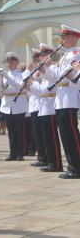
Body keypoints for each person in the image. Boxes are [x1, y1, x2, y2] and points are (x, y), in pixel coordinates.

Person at [41, 25, 80, 179]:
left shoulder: (75, 54)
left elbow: (71, 76)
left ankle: (77, 168)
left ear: (72, 38)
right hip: (62, 98)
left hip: (69, 97)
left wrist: (52, 66)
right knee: (65, 135)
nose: (61, 41)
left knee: (71, 134)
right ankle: (72, 166)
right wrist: (47, 67)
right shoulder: (66, 55)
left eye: (63, 38)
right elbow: (58, 75)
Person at [29, 44, 63, 172]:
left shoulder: (54, 69)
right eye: (40, 56)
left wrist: (32, 82)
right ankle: (51, 162)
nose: (40, 58)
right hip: (44, 107)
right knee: (47, 137)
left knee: (52, 137)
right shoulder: (46, 71)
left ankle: (56, 164)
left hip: (50, 106)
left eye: (42, 56)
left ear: (49, 56)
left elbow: (45, 89)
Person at [0, 52, 28, 161]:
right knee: (11, 132)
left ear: (16, 62)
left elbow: (20, 86)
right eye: (8, 61)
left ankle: (20, 153)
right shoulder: (4, 75)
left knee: (20, 131)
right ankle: (12, 153)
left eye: (11, 61)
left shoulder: (21, 74)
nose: (9, 63)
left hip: (19, 104)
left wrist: (7, 77)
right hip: (7, 105)